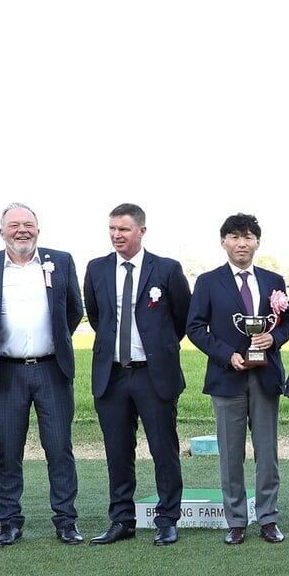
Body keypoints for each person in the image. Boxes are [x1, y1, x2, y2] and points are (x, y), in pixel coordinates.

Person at [0, 203, 82, 546]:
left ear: (38, 230)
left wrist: (55, 341)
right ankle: (9, 522)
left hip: (52, 370)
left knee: (59, 449)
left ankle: (66, 521)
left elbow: (73, 310)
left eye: (28, 224)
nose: (22, 230)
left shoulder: (60, 261)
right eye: (14, 224)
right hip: (6, 373)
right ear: (1, 231)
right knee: (8, 451)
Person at [83, 203, 192, 547]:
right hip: (112, 375)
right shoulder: (97, 268)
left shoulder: (167, 269)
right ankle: (121, 520)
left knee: (163, 449)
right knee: (117, 451)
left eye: (124, 229)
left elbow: (181, 318)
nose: (117, 235)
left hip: (153, 375)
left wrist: (158, 348)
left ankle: (167, 519)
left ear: (141, 230)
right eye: (112, 229)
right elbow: (97, 317)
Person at [186, 213, 289, 544]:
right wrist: (227, 355)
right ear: (224, 242)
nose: (241, 243)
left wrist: (273, 338)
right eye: (234, 236)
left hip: (265, 376)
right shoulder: (208, 282)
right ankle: (236, 520)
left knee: (267, 453)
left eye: (248, 236)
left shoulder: (273, 280)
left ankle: (268, 518)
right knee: (231, 455)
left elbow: (288, 323)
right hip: (226, 377)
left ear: (257, 242)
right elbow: (195, 327)